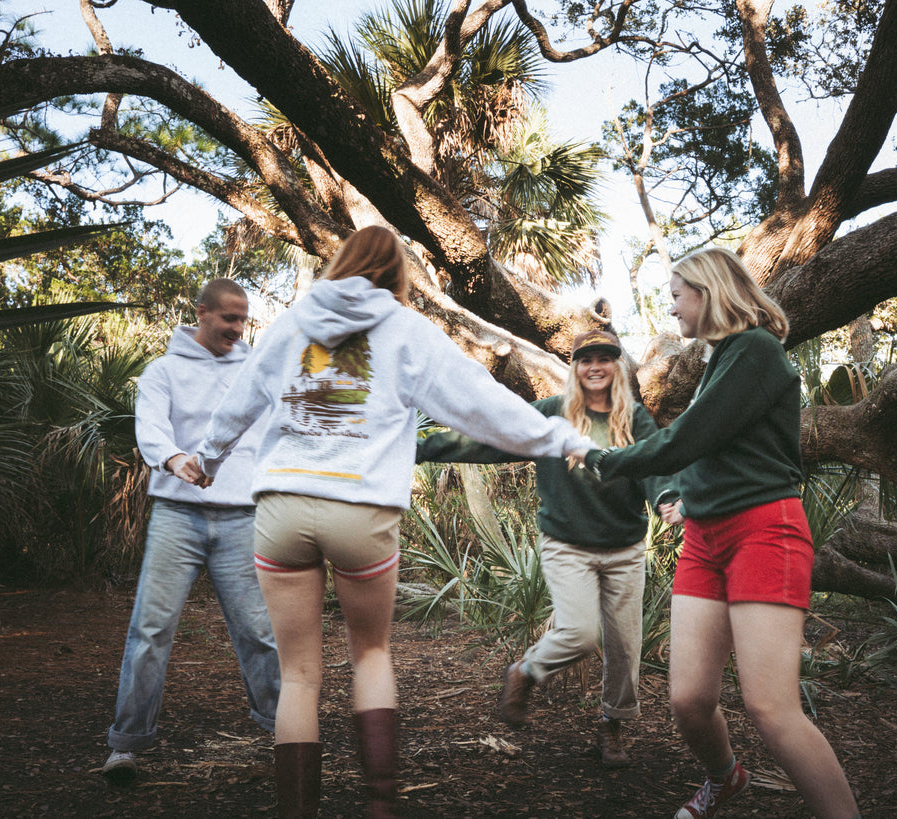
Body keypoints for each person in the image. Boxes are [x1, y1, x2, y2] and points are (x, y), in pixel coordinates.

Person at [186, 226, 594, 818]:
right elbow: (479, 401)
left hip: (284, 508)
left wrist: (207, 457)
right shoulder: (405, 329)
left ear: (344, 262)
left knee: (298, 676)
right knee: (371, 654)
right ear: (394, 273)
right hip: (362, 509)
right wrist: (559, 438)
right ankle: (381, 807)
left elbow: (245, 394)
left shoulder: (296, 319)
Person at [579, 248, 860, 819]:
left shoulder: (755, 350)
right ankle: (725, 778)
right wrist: (677, 495)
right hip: (706, 539)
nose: (672, 306)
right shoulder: (720, 358)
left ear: (707, 292)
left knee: (771, 707)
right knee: (688, 700)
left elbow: (689, 437)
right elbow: (708, 450)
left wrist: (606, 460)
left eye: (677, 294)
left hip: (764, 531)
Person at [417, 328, 669, 768]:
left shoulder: (635, 419)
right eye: (585, 358)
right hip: (567, 545)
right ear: (574, 367)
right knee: (578, 632)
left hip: (625, 549)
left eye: (605, 358)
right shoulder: (552, 415)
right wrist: (421, 447)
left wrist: (666, 498)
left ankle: (612, 729)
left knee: (625, 649)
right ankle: (525, 672)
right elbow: (491, 440)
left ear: (617, 366)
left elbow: (656, 467)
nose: (595, 366)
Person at [102, 279, 280, 784]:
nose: (237, 328)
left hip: (242, 517)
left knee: (258, 632)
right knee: (150, 631)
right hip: (177, 516)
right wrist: (175, 458)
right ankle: (126, 745)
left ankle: (282, 732)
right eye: (229, 317)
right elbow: (150, 427)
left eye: (243, 319)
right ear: (201, 312)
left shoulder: (256, 373)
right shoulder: (163, 371)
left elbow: (275, 436)